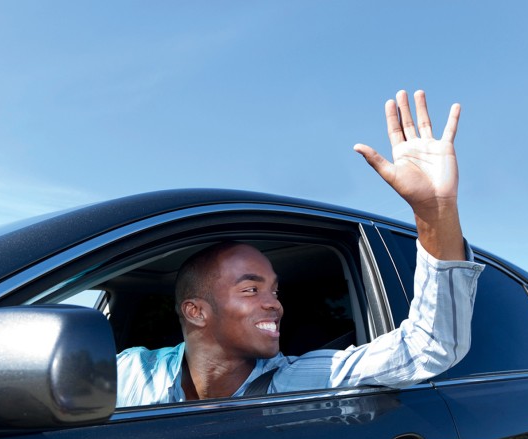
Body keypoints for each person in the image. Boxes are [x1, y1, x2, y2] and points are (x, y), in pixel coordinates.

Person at [116, 89, 484, 407]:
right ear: (196, 311)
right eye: (251, 289)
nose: (274, 303)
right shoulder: (131, 373)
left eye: (274, 290)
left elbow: (431, 345)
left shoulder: (294, 381)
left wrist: (435, 212)